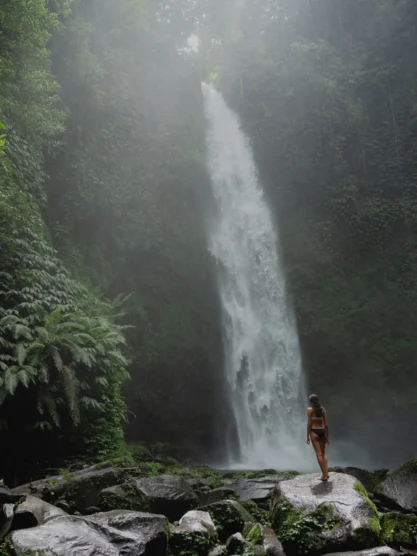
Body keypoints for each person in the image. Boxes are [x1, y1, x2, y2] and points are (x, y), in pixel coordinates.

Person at [307, 394, 329, 481]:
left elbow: (309, 424)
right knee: (323, 454)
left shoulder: (310, 410)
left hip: (314, 432)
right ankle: (326, 473)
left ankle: (324, 475)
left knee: (319, 454)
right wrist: (327, 436)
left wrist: (307, 436)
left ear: (311, 401)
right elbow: (326, 425)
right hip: (322, 431)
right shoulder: (323, 409)